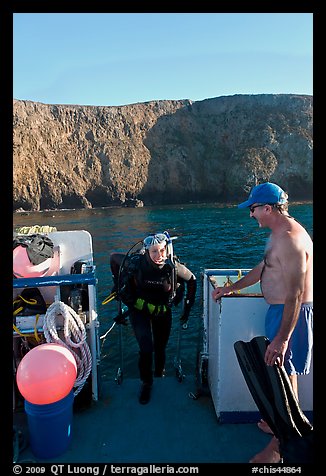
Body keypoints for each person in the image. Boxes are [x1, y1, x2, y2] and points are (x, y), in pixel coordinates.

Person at [212, 182, 313, 463]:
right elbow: (263, 268)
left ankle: (279, 447)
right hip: (278, 312)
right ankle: (278, 424)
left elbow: (295, 293)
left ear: (268, 208)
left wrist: (281, 339)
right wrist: (230, 289)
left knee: (285, 375)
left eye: (254, 209)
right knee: (283, 374)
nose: (251, 214)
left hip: (289, 315)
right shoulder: (278, 235)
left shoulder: (291, 240)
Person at [110, 232, 197, 404]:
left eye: (163, 251)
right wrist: (117, 284)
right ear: (147, 252)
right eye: (154, 252)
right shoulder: (136, 263)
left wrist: (187, 309)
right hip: (139, 309)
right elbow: (113, 258)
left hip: (162, 311)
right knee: (146, 348)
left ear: (167, 250)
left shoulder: (173, 268)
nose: (159, 256)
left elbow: (192, 280)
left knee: (160, 348)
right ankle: (147, 382)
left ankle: (159, 374)